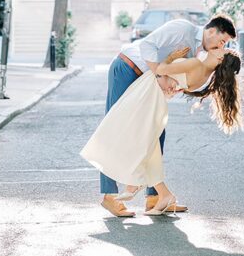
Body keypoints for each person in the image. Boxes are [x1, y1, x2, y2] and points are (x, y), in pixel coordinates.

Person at [90, 14, 236, 217]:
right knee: (115, 129)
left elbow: (177, 78)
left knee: (157, 133)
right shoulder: (182, 29)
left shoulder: (199, 53)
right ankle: (109, 196)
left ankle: (154, 197)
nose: (221, 45)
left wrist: (167, 85)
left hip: (148, 84)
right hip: (128, 68)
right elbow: (147, 46)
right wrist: (161, 75)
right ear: (212, 31)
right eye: (222, 41)